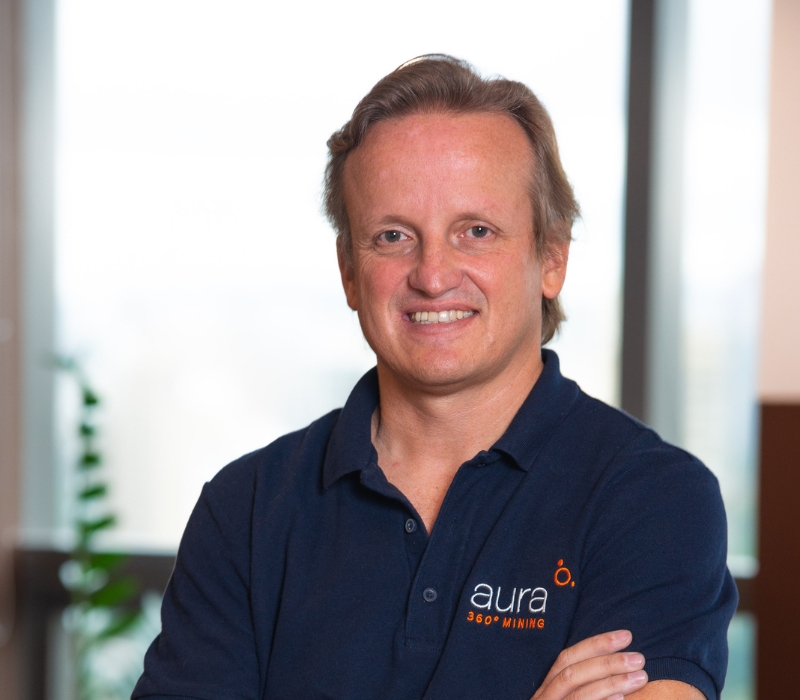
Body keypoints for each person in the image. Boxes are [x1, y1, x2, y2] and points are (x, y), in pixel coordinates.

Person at [133, 55, 737, 700]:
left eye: (476, 231)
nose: (432, 274)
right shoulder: (247, 509)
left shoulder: (653, 499)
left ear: (551, 258)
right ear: (348, 271)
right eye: (392, 236)